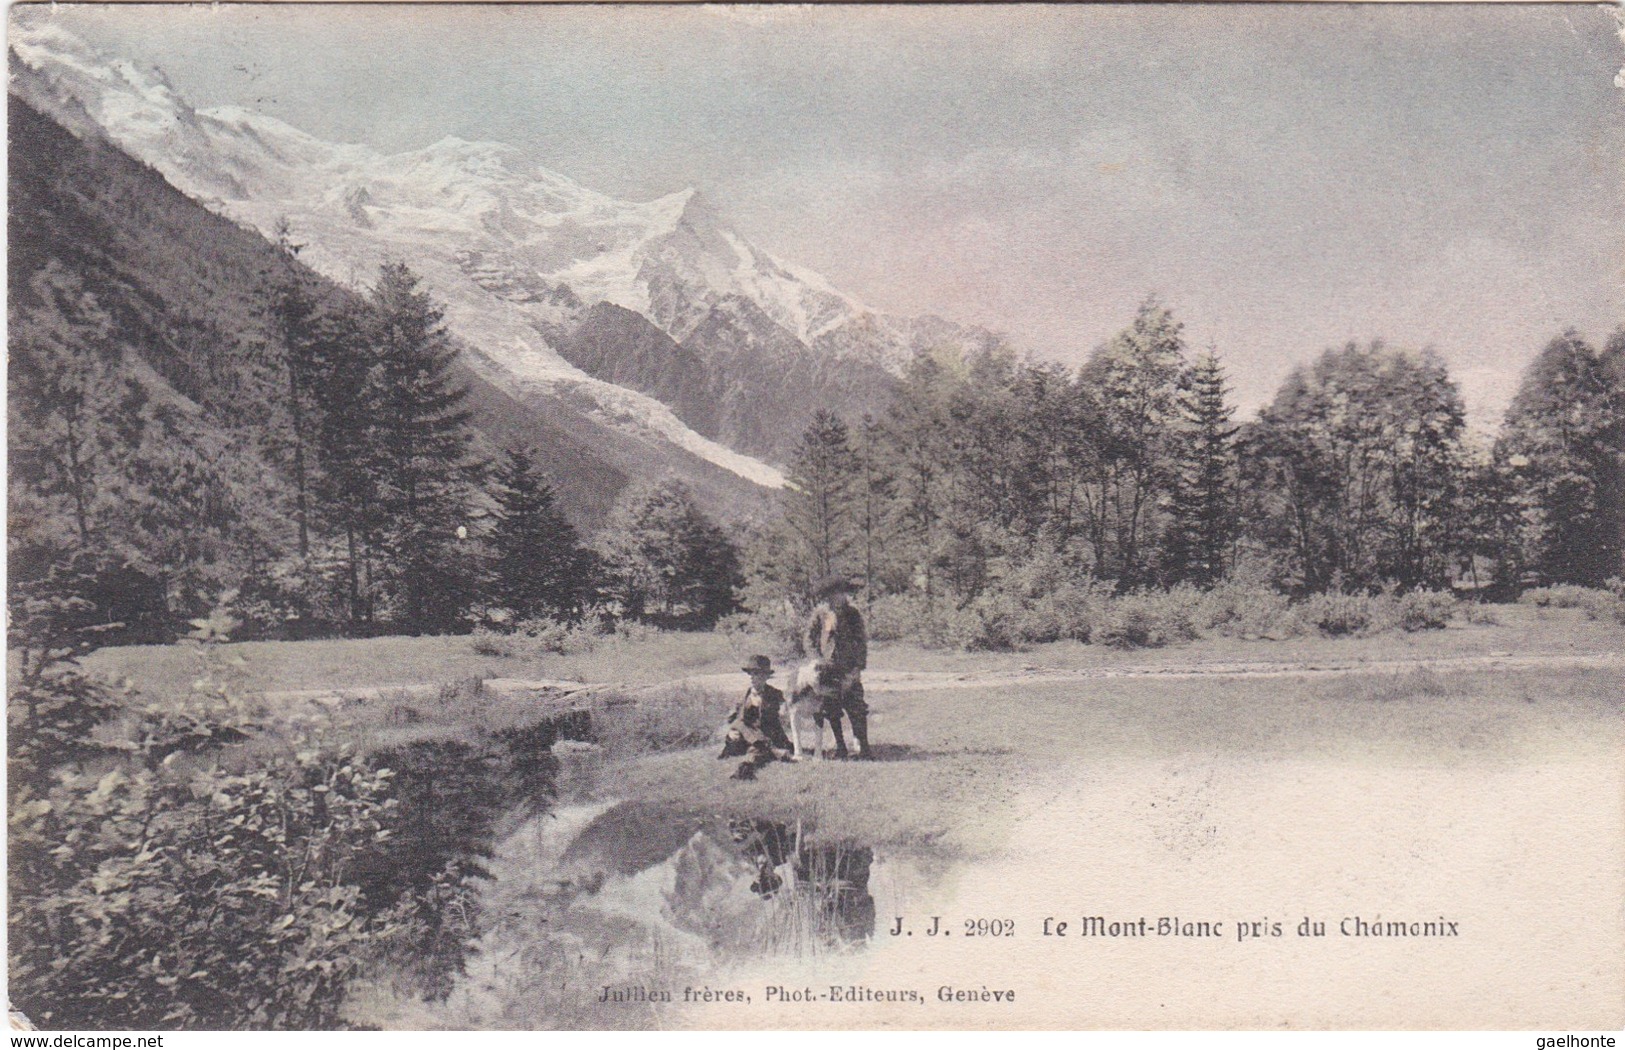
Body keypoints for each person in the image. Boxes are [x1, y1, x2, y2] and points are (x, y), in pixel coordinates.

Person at [804, 574, 872, 760]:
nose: (839, 597)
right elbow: (809, 639)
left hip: (849, 669)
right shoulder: (820, 614)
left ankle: (863, 747)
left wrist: (857, 668)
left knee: (856, 707)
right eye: (834, 594)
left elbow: (861, 643)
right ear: (828, 596)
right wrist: (816, 659)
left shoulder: (853, 614)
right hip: (828, 669)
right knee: (830, 708)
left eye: (842, 593)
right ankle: (840, 746)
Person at [719, 654, 794, 781]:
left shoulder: (775, 694)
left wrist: (783, 708)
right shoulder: (745, 694)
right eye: (751, 674)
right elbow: (731, 719)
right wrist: (731, 732)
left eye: (757, 674)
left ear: (765, 676)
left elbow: (783, 709)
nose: (752, 678)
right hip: (745, 736)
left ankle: (746, 767)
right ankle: (774, 751)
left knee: (756, 750)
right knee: (741, 725)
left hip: (768, 734)